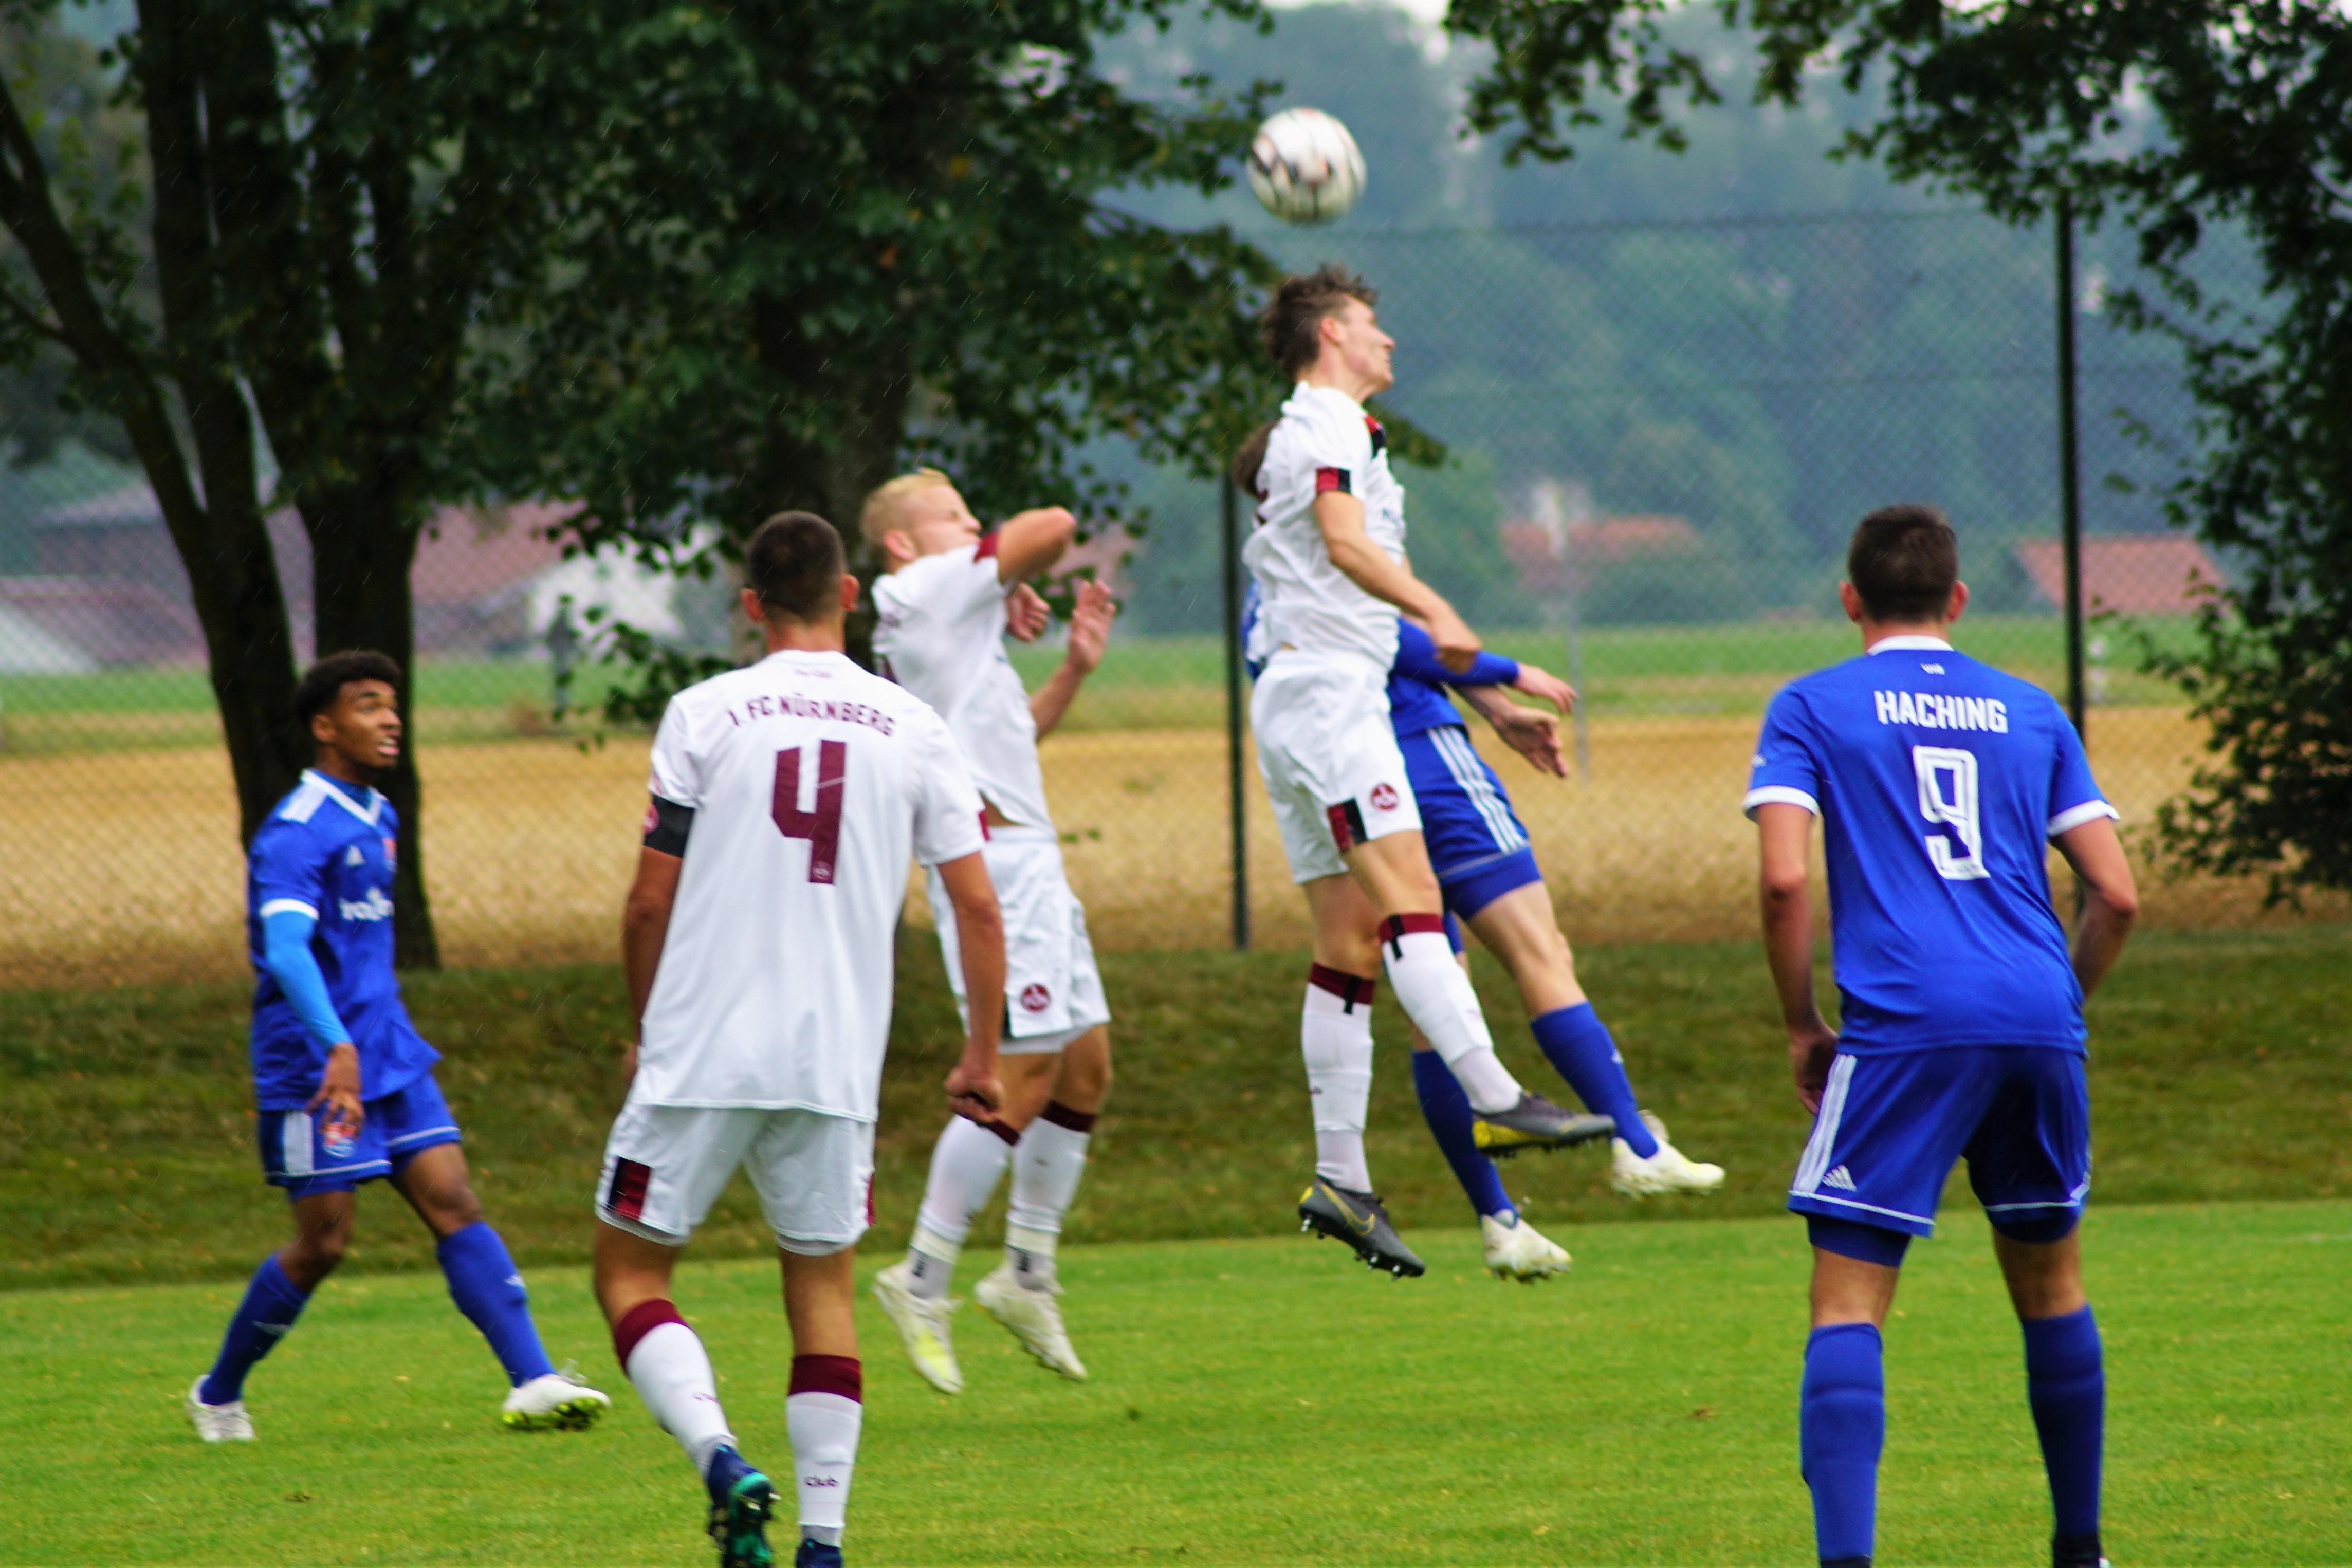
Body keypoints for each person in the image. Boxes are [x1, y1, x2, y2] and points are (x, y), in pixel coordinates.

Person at [594, 512, 1006, 1568]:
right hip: (834, 1058)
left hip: (699, 1044)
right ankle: (821, 1540)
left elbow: (648, 902)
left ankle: (721, 1458)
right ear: (850, 592)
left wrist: (643, 1030)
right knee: (820, 1286)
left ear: (749, 605)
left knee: (632, 1273)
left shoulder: (702, 711)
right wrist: (980, 1052)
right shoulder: (912, 724)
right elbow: (975, 904)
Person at [1233, 435, 1725, 1284]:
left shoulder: (1271, 600)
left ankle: (1495, 1219)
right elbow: (1408, 642)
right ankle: (1635, 1146)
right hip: (1418, 754)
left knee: (1427, 989)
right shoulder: (1342, 552)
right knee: (1539, 951)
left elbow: (1396, 640)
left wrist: (1492, 705)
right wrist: (1506, 677)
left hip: (1338, 772)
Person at [1747, 505, 2137, 1568]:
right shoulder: (2028, 707)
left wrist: (1798, 1024)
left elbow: (1785, 877)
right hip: (2033, 1016)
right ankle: (2079, 1550)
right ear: (1956, 599)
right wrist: (2056, 1004)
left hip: (1905, 1023)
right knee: (2051, 1286)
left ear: (1849, 599)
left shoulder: (1810, 705)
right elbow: (2113, 892)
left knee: (1846, 1304)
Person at [1244, 265, 1613, 1280]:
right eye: (1372, 325)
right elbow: (1343, 545)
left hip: (1303, 699)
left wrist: (1477, 687)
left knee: (1349, 940)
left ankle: (1339, 1178)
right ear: (1330, 334)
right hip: (1327, 701)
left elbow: (1333, 558)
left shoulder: (1328, 431)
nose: (1388, 341)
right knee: (1410, 902)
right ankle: (1497, 1092)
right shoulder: (1323, 424)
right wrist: (1438, 609)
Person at [187, 651, 610, 1442]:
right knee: (326, 1242)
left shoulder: (379, 815)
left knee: (455, 1201)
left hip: (389, 1052)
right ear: (325, 727)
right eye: (368, 705)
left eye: (394, 705)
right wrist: (334, 1046)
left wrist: (367, 1041)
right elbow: (284, 952)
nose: (390, 719)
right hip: (317, 1065)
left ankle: (535, 1378)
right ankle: (218, 1392)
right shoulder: (296, 830)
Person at [860, 471, 1114, 1392]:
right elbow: (1053, 521)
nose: (972, 527)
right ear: (902, 543)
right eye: (955, 518)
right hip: (999, 871)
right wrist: (1002, 568)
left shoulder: (948, 621)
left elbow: (1007, 744)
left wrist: (1074, 669)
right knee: (1031, 1065)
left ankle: (1026, 1275)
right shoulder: (923, 588)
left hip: (1026, 856)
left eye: (975, 515)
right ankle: (921, 1277)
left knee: (1084, 1065)